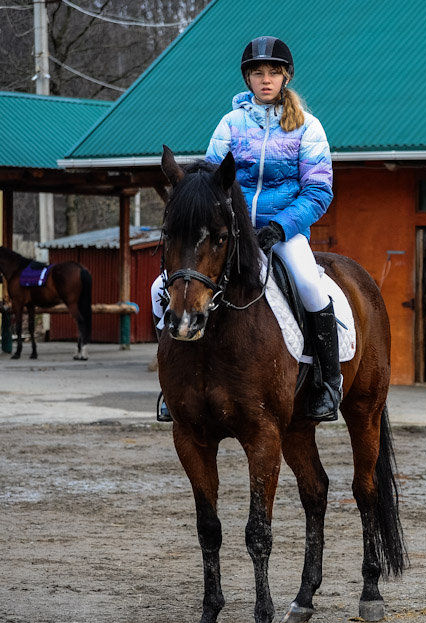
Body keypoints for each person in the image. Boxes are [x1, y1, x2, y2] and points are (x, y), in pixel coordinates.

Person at [153, 36, 339, 422]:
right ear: (248, 78)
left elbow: (319, 190)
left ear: (285, 76)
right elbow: (209, 182)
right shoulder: (230, 124)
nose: (265, 79)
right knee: (161, 288)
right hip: (230, 235)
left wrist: (281, 227)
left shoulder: (308, 126)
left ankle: (327, 381)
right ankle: (173, 384)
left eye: (273, 72)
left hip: (282, 231)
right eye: (258, 73)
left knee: (308, 283)